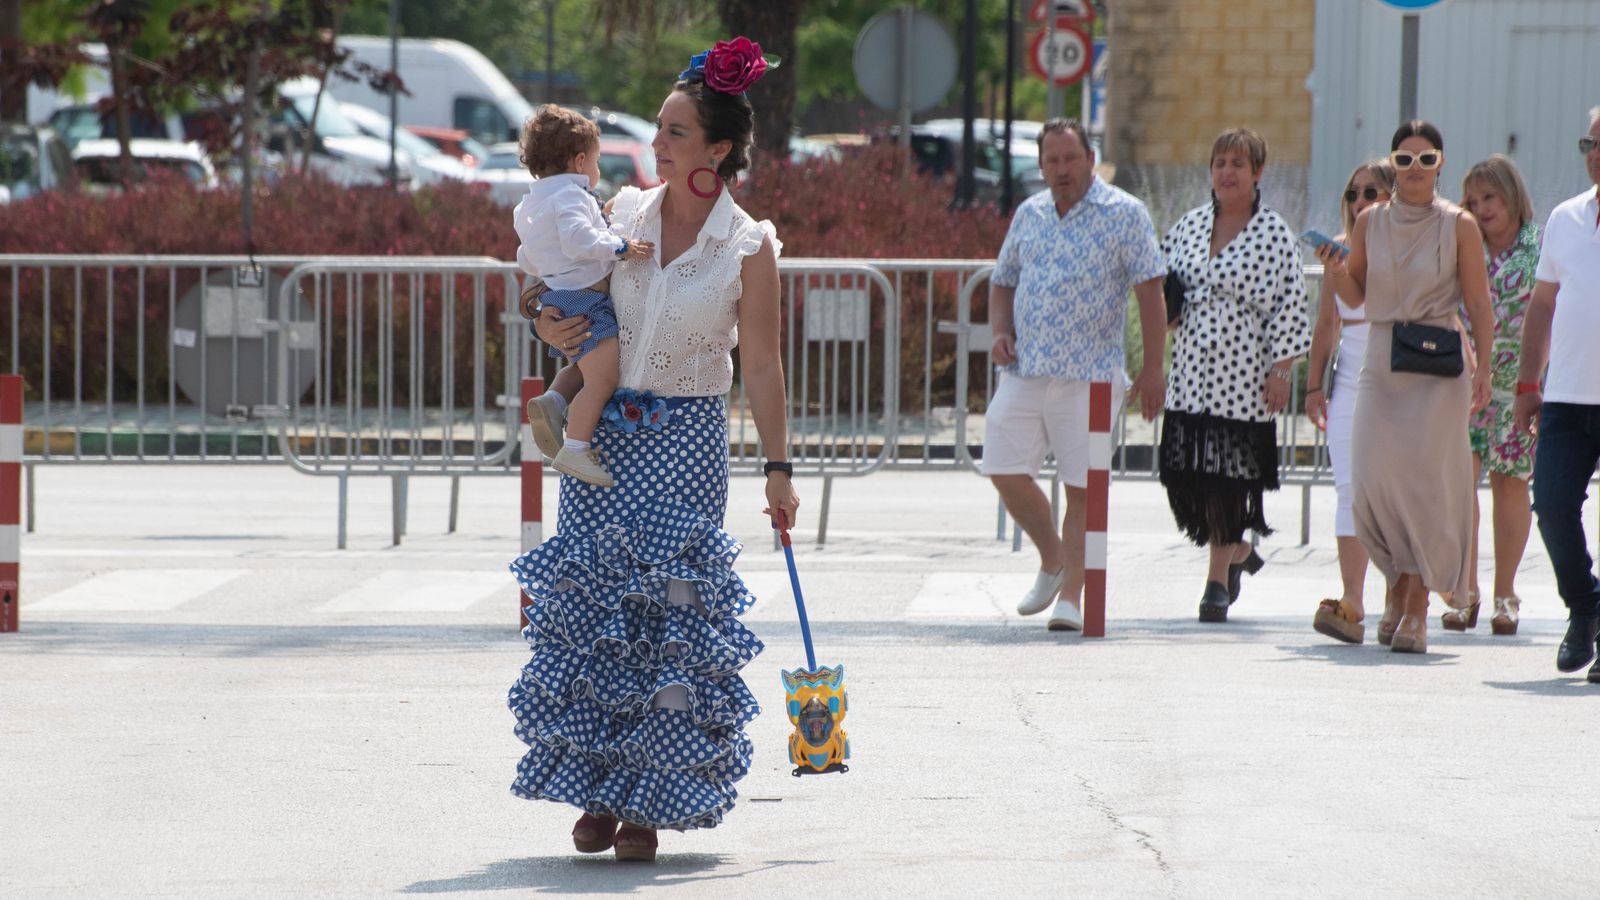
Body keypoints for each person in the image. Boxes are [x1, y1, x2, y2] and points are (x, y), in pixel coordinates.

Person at [507, 37, 798, 862]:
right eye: (661, 130)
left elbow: (766, 365)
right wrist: (540, 314)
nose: (657, 143)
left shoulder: (749, 244)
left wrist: (779, 469)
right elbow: (551, 277)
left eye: (674, 132)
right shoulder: (622, 214)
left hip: (688, 440)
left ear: (716, 149)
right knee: (602, 611)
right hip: (602, 448)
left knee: (670, 616)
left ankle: (652, 801)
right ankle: (600, 789)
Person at [984, 117, 1169, 632]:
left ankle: (1071, 598)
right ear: (1040, 165)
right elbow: (1003, 281)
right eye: (1052, 160)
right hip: (1026, 369)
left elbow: (1150, 292)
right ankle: (1053, 558)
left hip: (1090, 375)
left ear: (1091, 158)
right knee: (1000, 462)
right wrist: (1000, 330)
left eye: (1070, 158)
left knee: (1082, 486)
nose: (1061, 169)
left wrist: (1153, 369)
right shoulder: (1030, 214)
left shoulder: (1124, 213)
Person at [1317, 119, 1494, 654]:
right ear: (1392, 166)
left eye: (1426, 159)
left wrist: (1484, 367)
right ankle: (1396, 586)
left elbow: (1480, 305)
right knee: (1373, 481)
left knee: (1424, 487)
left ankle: (1415, 602)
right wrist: (1332, 269)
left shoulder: (1459, 224)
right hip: (1382, 359)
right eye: (1404, 160)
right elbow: (1359, 293)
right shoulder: (1370, 221)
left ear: (1441, 163)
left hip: (1439, 367)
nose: (1414, 169)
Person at [1159, 127, 1313, 623]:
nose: (1227, 172)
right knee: (1188, 475)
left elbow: (1291, 303)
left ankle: (1214, 584)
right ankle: (1239, 553)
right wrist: (1168, 309)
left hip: (1243, 373)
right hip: (1190, 371)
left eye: (1238, 164)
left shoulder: (1273, 234)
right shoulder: (1188, 225)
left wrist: (1283, 370)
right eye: (1220, 162)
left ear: (1258, 173)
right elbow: (1161, 278)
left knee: (1226, 478)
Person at [514, 105, 656, 487]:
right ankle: (576, 449)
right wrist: (619, 246)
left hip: (563, 297)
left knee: (584, 367)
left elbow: (525, 255)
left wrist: (548, 277)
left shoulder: (530, 203)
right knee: (603, 378)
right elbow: (579, 239)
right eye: (595, 162)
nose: (597, 173)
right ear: (579, 162)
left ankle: (555, 400)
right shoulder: (571, 197)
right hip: (587, 300)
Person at [1514, 106, 1600, 680]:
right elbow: (1541, 304)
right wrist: (1526, 383)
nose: (1595, 152)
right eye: (1589, 143)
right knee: (1550, 504)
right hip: (1567, 397)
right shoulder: (1565, 218)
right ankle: (1586, 605)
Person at [1307, 159, 1395, 643]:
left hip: (1395, 371)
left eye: (1371, 192)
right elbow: (1328, 322)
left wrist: (1343, 268)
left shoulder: (1403, 247)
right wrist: (1315, 385)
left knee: (1392, 491)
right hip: (1349, 375)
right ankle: (1352, 599)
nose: (1360, 200)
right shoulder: (1336, 252)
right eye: (1353, 193)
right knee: (1348, 487)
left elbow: (1365, 304)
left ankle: (1396, 600)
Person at [1452, 155, 1540, 635]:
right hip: (1464, 385)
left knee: (1510, 486)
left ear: (1512, 197)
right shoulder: (1464, 245)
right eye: (1475, 199)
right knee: (1458, 489)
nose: (1483, 208)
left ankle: (1506, 595)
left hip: (1518, 387)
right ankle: (1463, 591)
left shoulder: (1539, 246)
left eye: (1491, 197)